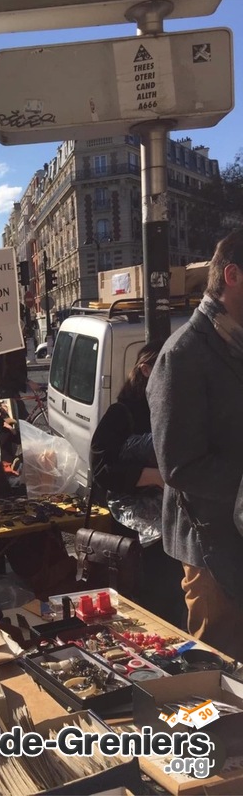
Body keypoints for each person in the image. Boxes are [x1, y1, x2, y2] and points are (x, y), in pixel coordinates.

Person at [147, 229, 243, 660]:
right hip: (211, 546)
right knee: (218, 662)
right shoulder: (182, 354)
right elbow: (178, 466)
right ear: (233, 275)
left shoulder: (234, 342)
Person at [90, 341, 186, 627]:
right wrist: (153, 477)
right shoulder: (123, 413)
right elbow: (102, 469)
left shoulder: (175, 408)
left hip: (174, 522)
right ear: (145, 370)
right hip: (136, 530)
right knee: (148, 600)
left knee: (174, 597)